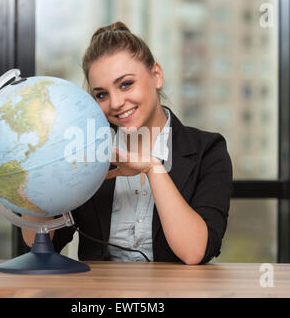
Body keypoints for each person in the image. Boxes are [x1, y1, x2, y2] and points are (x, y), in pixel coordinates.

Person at [22, 21, 232, 265]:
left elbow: (194, 251)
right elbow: (43, 241)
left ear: (156, 76)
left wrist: (153, 169)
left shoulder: (209, 150)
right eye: (102, 94)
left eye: (125, 84)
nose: (115, 103)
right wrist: (39, 176)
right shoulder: (88, 149)